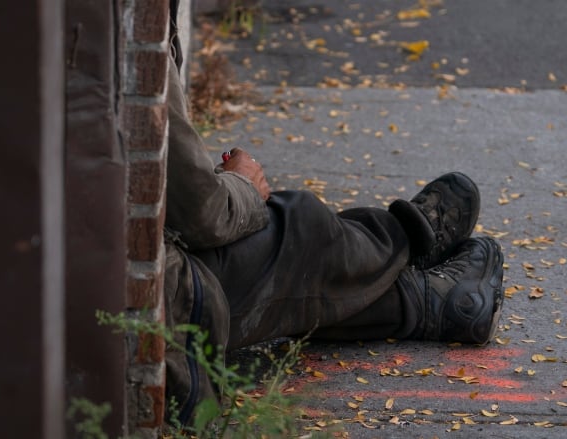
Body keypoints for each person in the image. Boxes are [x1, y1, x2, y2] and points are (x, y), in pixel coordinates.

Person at [160, 48, 504, 426]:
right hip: (164, 297)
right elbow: (201, 214)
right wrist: (240, 184)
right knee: (298, 225)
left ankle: (429, 302)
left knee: (282, 249)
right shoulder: (125, 36)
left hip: (150, 287)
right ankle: (407, 241)